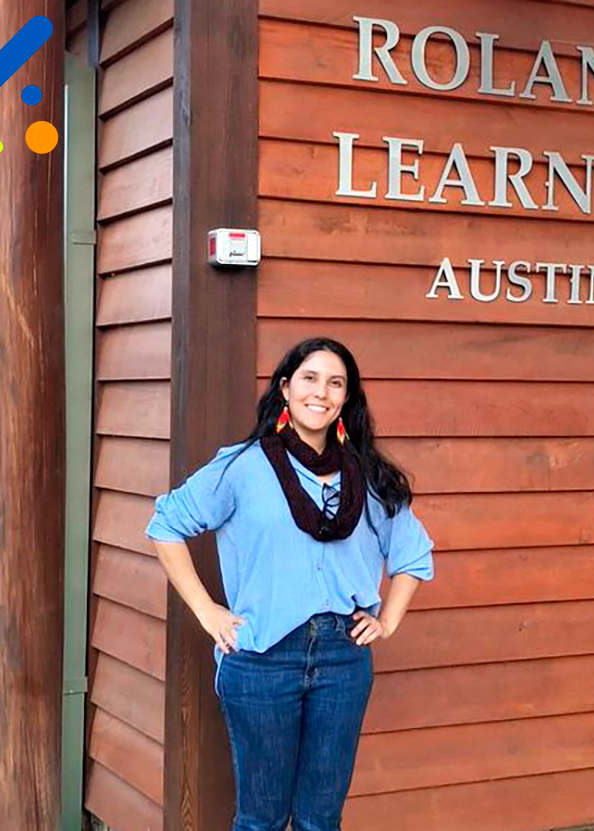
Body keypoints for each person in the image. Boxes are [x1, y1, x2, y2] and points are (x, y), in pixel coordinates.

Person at [145, 336, 435, 831]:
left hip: (343, 660)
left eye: (335, 383)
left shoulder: (367, 476)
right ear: (285, 388)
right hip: (262, 659)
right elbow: (166, 524)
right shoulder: (242, 467)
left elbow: (413, 553)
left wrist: (387, 619)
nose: (321, 392)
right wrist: (206, 610)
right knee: (261, 820)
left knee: (321, 819)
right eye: (310, 378)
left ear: (347, 398)